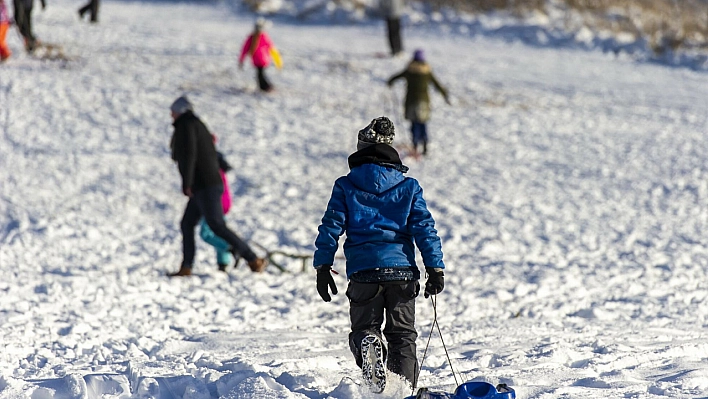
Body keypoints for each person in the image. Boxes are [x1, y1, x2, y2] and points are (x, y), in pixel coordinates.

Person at [313, 116, 446, 392]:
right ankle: (404, 391)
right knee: (403, 337)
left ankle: (369, 347)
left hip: (364, 273)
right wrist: (435, 268)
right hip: (402, 273)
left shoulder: (345, 186)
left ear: (361, 149)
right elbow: (424, 228)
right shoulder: (409, 187)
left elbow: (331, 226)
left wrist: (323, 265)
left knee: (365, 330)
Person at [168, 95, 267, 276]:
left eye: (173, 112)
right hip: (202, 186)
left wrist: (187, 182)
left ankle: (253, 258)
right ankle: (186, 266)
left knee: (217, 226)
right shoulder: (194, 124)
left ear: (181, 111)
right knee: (187, 224)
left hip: (206, 186)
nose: (171, 116)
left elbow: (189, 155)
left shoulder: (188, 126)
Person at [387, 49, 450, 156]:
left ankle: (415, 145)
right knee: (422, 124)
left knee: (414, 124)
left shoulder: (410, 70)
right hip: (424, 103)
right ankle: (425, 145)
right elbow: (437, 84)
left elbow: (396, 76)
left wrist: (390, 81)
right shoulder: (426, 71)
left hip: (411, 102)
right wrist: (445, 94)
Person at [198, 142, 238, 272]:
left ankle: (231, 247)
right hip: (221, 202)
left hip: (215, 203)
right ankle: (223, 263)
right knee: (219, 231)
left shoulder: (210, 166)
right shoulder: (215, 163)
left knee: (206, 234)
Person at [238, 18, 281, 93]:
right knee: (260, 74)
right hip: (264, 59)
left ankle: (266, 87)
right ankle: (265, 86)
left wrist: (241, 60)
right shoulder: (263, 37)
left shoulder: (252, 37)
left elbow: (244, 49)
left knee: (260, 74)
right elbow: (273, 50)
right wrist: (278, 62)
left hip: (258, 60)